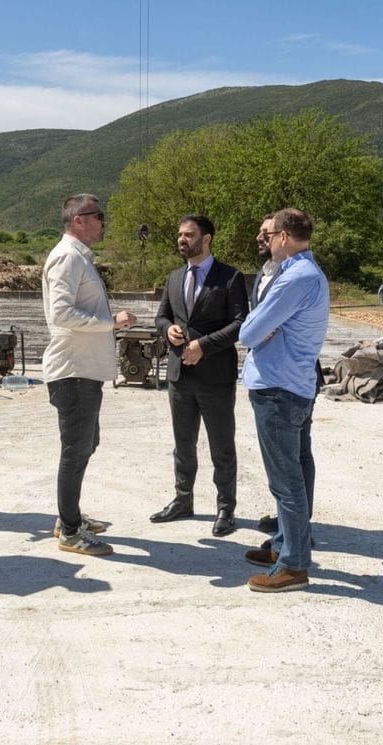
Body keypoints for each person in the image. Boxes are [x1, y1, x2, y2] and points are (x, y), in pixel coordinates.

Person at [238, 208, 329, 593]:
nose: (267, 240)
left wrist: (261, 327)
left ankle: (293, 565)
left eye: (271, 234)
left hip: (279, 388)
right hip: (293, 385)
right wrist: (266, 328)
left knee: (285, 480)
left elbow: (248, 332)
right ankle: (284, 545)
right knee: (296, 469)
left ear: (285, 236)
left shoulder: (295, 277)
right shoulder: (307, 273)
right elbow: (262, 328)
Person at [42, 193, 136, 556]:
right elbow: (61, 313)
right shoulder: (68, 256)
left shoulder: (78, 256)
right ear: (79, 220)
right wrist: (110, 322)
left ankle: (69, 516)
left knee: (85, 445)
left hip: (83, 370)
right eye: (99, 215)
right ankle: (69, 531)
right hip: (73, 370)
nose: (103, 222)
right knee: (75, 450)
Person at [151, 214, 248, 537]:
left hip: (216, 377)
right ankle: (183, 500)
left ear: (206, 239)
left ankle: (226, 508)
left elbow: (239, 324)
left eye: (189, 235)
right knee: (183, 444)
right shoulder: (174, 277)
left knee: (222, 446)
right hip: (180, 376)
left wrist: (203, 346)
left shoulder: (230, 277)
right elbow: (161, 317)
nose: (182, 239)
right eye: (180, 234)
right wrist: (168, 329)